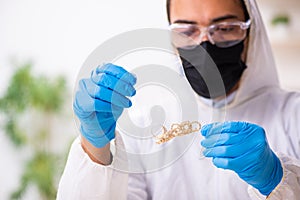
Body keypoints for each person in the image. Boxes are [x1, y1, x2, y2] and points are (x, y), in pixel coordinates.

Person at [57, 0, 300, 199]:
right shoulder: (146, 123)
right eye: (186, 30)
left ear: (250, 32)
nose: (205, 42)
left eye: (225, 28)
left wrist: (276, 181)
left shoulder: (293, 116)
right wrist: (94, 148)